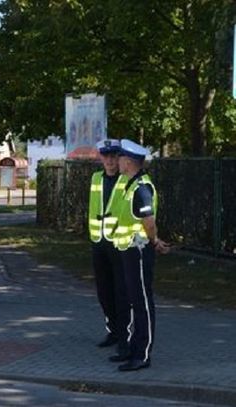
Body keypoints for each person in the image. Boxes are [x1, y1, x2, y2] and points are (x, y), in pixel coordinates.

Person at [113, 139, 169, 372]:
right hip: (129, 251)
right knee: (135, 301)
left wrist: (154, 241)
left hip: (138, 251)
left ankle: (142, 354)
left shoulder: (141, 189)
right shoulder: (129, 184)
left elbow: (149, 221)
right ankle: (133, 349)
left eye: (119, 158)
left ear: (128, 162)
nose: (116, 162)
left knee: (142, 303)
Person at [88, 139, 130, 358]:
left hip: (119, 242)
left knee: (121, 292)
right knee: (104, 291)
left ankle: (125, 335)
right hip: (99, 241)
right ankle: (112, 330)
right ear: (101, 158)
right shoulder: (96, 179)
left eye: (114, 156)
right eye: (107, 156)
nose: (111, 161)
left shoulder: (126, 180)